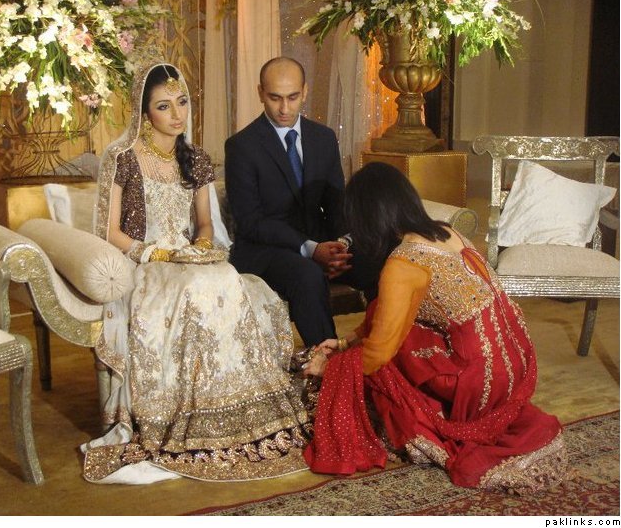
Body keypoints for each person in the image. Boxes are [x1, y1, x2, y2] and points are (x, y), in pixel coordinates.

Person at [81, 60, 311, 484]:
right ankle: (188, 413)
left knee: (224, 278)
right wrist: (154, 253)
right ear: (143, 111)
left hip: (189, 258)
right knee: (197, 287)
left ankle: (235, 407)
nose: (177, 114)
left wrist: (202, 247)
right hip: (145, 263)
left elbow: (204, 224)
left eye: (182, 102)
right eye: (164, 106)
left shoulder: (196, 158)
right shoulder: (123, 158)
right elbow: (109, 231)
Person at [302, 162, 568, 493]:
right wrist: (345, 342)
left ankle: (427, 426)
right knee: (403, 327)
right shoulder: (447, 231)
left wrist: (331, 366)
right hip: (515, 362)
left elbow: (377, 354)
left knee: (384, 363)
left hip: (479, 382)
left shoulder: (404, 262)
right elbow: (388, 314)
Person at [225, 56, 380, 347]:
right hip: (264, 250)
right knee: (307, 274)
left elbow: (336, 204)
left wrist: (340, 246)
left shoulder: (323, 138)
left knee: (380, 257)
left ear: (305, 92)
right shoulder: (241, 146)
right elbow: (250, 221)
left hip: (319, 242)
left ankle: (382, 348)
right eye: (275, 98)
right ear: (260, 93)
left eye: (293, 97)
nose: (284, 108)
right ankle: (328, 360)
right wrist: (311, 250)